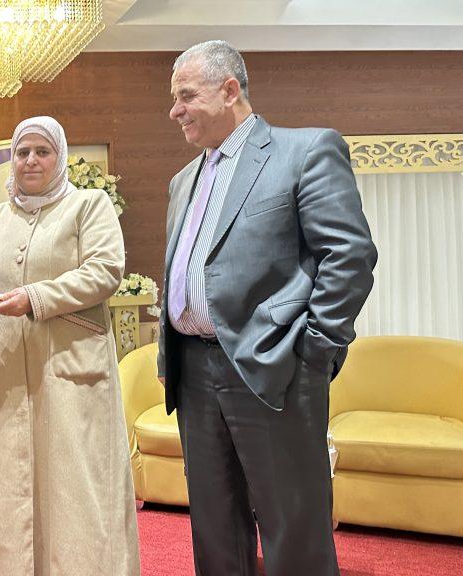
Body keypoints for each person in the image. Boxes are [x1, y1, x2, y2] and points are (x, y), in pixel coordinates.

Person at [159, 40, 378, 576]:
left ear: (229, 89)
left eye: (186, 96)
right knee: (215, 531)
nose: (175, 110)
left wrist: (314, 351)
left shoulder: (305, 151)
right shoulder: (183, 180)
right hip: (193, 373)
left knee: (293, 529)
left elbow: (349, 256)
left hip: (276, 367)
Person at [0, 116, 141, 576]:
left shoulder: (88, 206)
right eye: (22, 152)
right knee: (10, 486)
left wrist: (34, 298)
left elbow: (104, 271)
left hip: (71, 374)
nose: (30, 161)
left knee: (75, 487)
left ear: (61, 157)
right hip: (8, 376)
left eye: (42, 151)